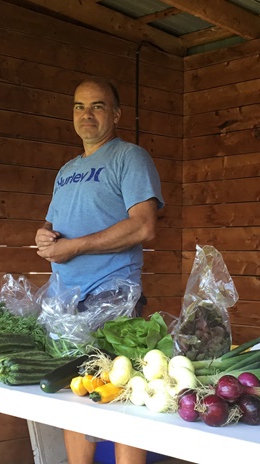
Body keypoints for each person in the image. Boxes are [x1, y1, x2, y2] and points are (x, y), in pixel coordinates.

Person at [35, 77, 164, 464]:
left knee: (120, 394)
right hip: (63, 301)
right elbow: (52, 225)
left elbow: (143, 225)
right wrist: (44, 237)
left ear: (117, 114)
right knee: (70, 394)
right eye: (79, 106)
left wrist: (75, 246)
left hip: (111, 295)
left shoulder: (130, 157)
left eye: (97, 106)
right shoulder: (67, 169)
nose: (86, 114)